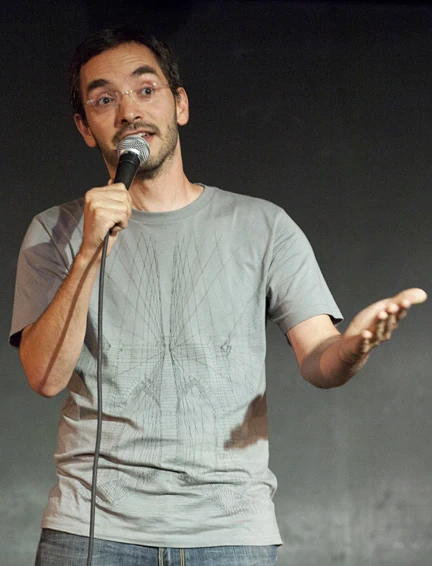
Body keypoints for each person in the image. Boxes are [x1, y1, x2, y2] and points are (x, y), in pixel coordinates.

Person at [9, 26, 426, 566]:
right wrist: (90, 249)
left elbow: (320, 359)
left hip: (231, 534)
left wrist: (354, 346)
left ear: (179, 105)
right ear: (85, 128)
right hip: (92, 531)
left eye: (146, 90)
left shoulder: (263, 226)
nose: (129, 111)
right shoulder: (54, 231)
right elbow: (44, 377)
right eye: (104, 99)